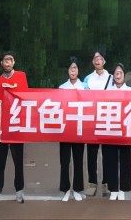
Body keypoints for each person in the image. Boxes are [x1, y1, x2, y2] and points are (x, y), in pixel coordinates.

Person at [0, 51, 28, 203]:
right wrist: (0, 125)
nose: (8, 62)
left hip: (17, 125)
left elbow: (26, 98)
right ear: (1, 63)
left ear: (14, 62)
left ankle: (19, 190)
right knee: (0, 160)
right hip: (3, 126)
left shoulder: (21, 76)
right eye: (5, 60)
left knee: (18, 160)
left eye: (10, 60)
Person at [83, 50, 112, 196]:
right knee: (92, 152)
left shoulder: (111, 78)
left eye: (100, 58)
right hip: (92, 119)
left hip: (107, 119)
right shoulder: (87, 79)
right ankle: (92, 182)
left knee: (107, 153)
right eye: (95, 58)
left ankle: (106, 182)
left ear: (104, 61)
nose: (97, 60)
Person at [58, 57, 87, 201]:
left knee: (78, 159)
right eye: (70, 68)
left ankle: (77, 189)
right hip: (65, 129)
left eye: (75, 68)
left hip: (80, 128)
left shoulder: (85, 87)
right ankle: (65, 189)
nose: (73, 71)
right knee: (64, 160)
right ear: (67, 71)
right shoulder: (62, 87)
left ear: (78, 70)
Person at [103, 63, 131, 200]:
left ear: (124, 76)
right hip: (111, 128)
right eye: (116, 73)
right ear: (113, 76)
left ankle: (123, 188)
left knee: (125, 159)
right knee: (111, 159)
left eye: (120, 73)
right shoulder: (108, 92)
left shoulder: (130, 90)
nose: (118, 75)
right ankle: (113, 188)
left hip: (125, 129)